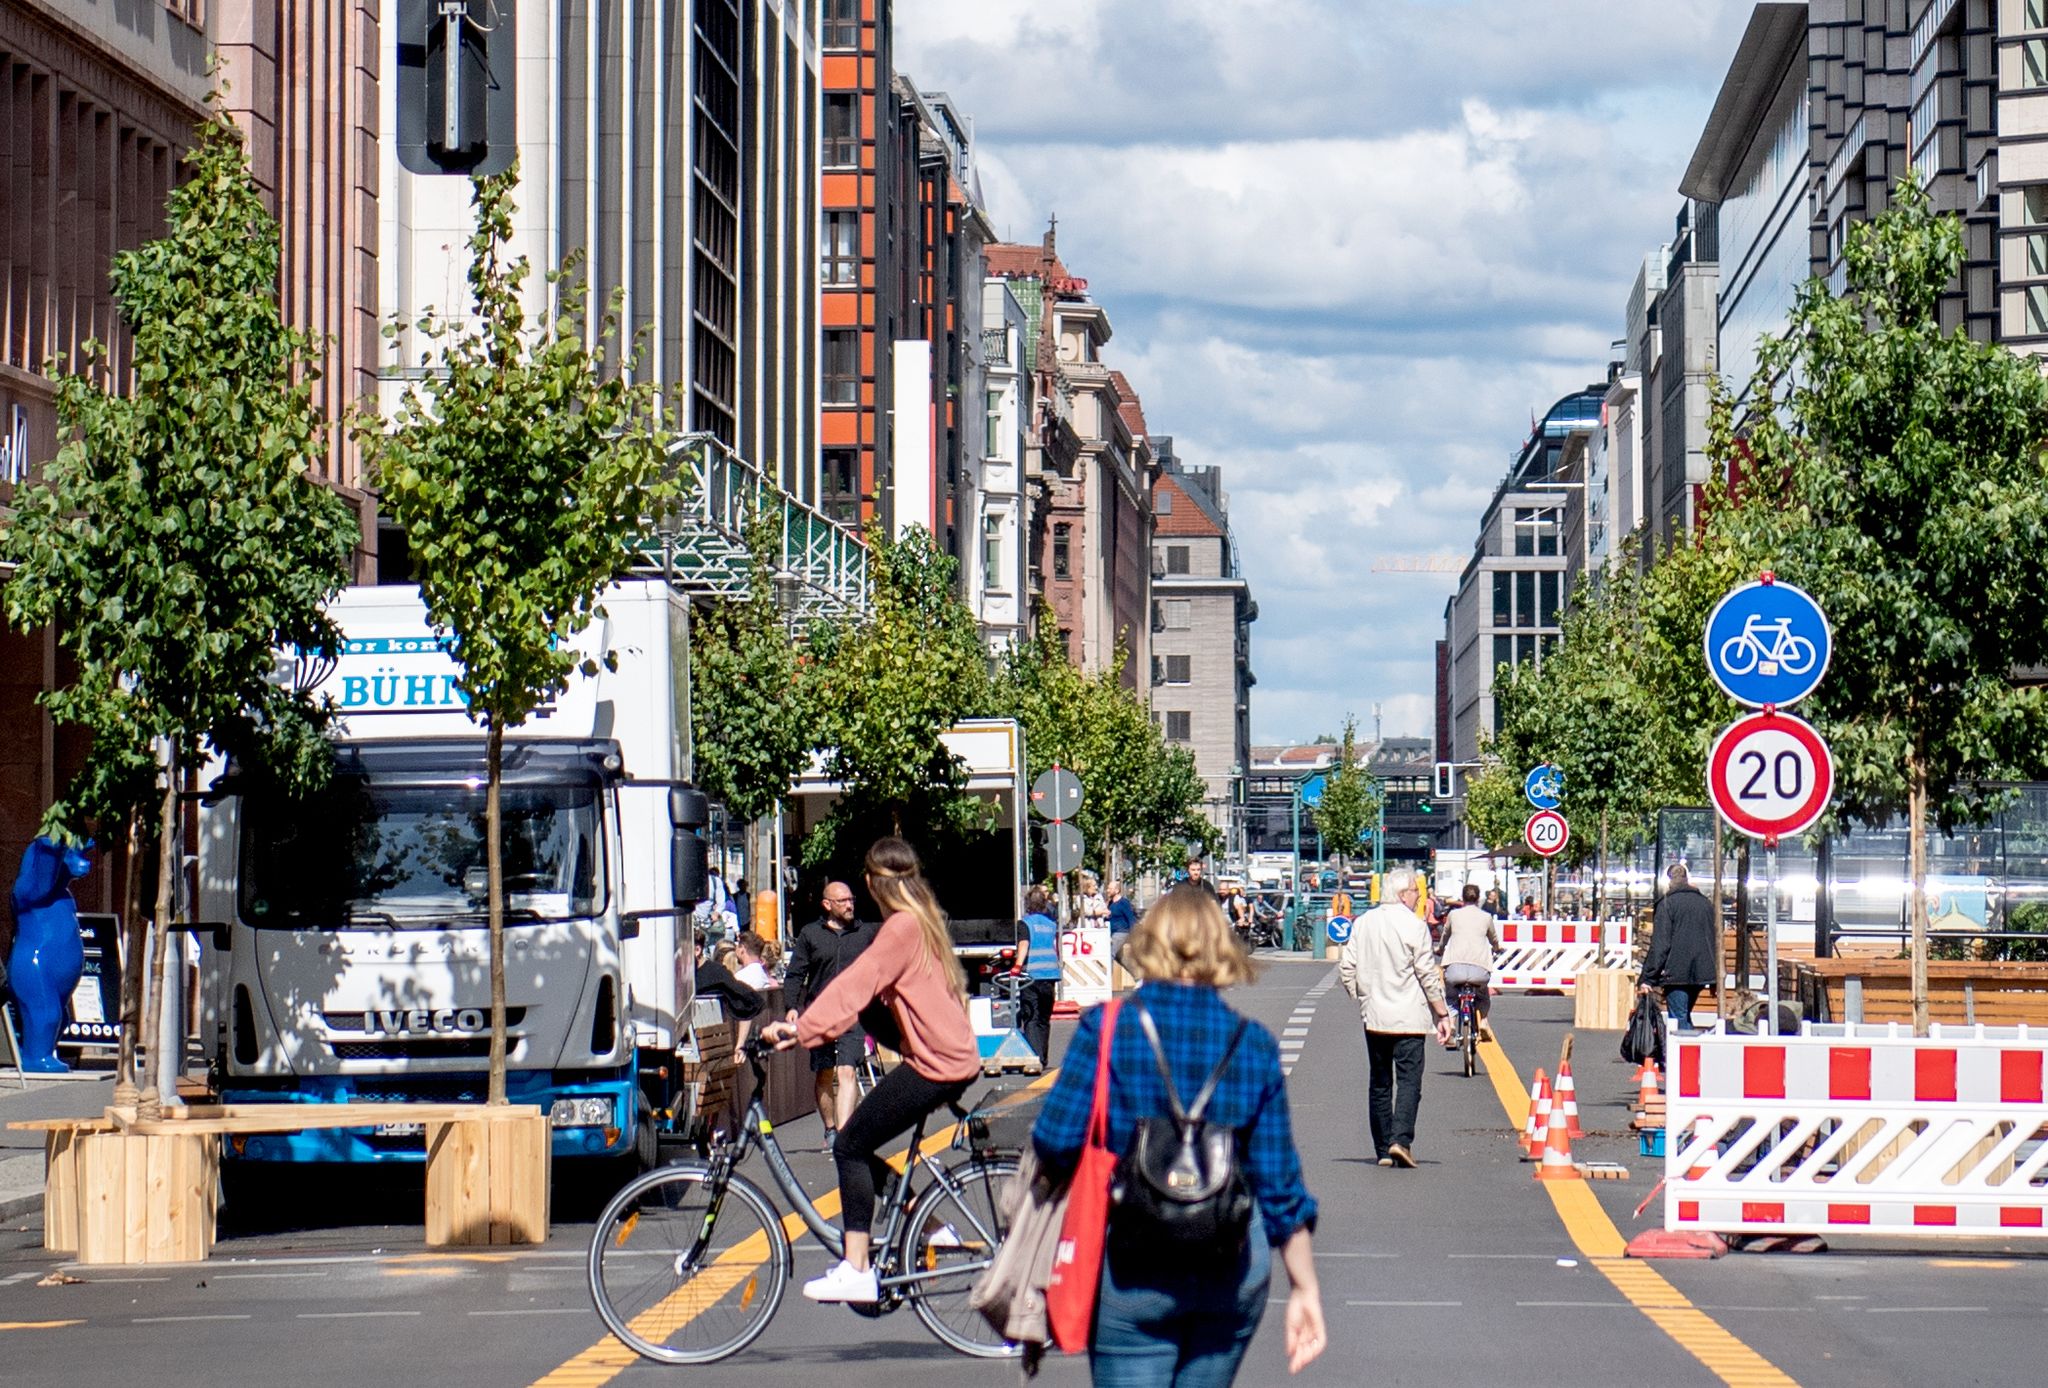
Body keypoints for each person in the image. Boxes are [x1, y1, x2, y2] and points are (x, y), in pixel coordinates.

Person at [1032, 885, 1326, 1384]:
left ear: (1149, 945)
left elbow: (1055, 1140)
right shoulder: (1252, 1045)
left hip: (1130, 1261)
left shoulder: (1106, 1030)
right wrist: (1305, 1288)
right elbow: (1279, 1184)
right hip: (1230, 1264)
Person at [762, 838, 981, 1304]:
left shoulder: (900, 929)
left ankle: (857, 1266)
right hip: (948, 1058)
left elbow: (852, 986)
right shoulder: (919, 923)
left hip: (936, 1063)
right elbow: (865, 1000)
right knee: (859, 1143)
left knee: (849, 1145)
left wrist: (797, 1032)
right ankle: (933, 1227)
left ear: (870, 883)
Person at [1337, 867, 1452, 1168]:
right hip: (1410, 1017)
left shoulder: (1363, 923)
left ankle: (1383, 1150)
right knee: (1409, 1080)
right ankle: (1401, 1140)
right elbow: (1427, 973)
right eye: (1415, 890)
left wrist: (1361, 997)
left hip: (1374, 1015)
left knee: (1380, 1082)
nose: (1418, 895)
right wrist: (1441, 1011)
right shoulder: (1415, 927)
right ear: (1403, 895)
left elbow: (1346, 967)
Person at [784, 880, 878, 1151]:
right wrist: (791, 1006)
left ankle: (846, 1137)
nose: (849, 905)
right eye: (843, 901)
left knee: (847, 1071)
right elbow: (795, 974)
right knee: (825, 1074)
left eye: (851, 900)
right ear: (827, 905)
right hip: (820, 1014)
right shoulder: (810, 935)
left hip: (853, 1013)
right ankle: (830, 1128)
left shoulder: (865, 933)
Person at [1641, 863, 1716, 1033]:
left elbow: (1661, 943)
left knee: (1679, 1016)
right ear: (1687, 879)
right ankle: (1689, 1051)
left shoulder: (1668, 904)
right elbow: (1713, 937)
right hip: (1702, 971)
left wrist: (1648, 977)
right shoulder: (1705, 903)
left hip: (1677, 971)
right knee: (1684, 1013)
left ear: (1668, 882)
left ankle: (1685, 1055)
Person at [1437, 883, 1501, 1042]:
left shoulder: (1454, 915)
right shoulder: (1486, 917)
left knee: (1451, 995)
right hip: (1479, 968)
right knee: (1482, 994)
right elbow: (1493, 938)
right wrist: (1497, 947)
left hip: (1455, 968)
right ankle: (1484, 1021)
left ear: (1462, 897)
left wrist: (1440, 948)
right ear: (1478, 898)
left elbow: (1445, 935)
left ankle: (1451, 1023)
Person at [1014, 884, 1062, 1062]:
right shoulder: (1050, 924)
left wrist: (1017, 967)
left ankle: (1035, 1057)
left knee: (1031, 1016)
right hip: (1050, 975)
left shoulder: (1025, 923)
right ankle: (1044, 1055)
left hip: (1031, 976)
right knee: (1044, 1017)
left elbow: (1024, 945)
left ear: (1027, 904)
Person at [1106, 879, 1138, 959]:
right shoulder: (1110, 903)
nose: (1108, 890)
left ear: (1117, 890)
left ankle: (1107, 971)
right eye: (1108, 888)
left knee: (1110, 953)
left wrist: (1133, 935)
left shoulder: (1124, 902)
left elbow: (1131, 918)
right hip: (1111, 932)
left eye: (1110, 888)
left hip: (1121, 932)